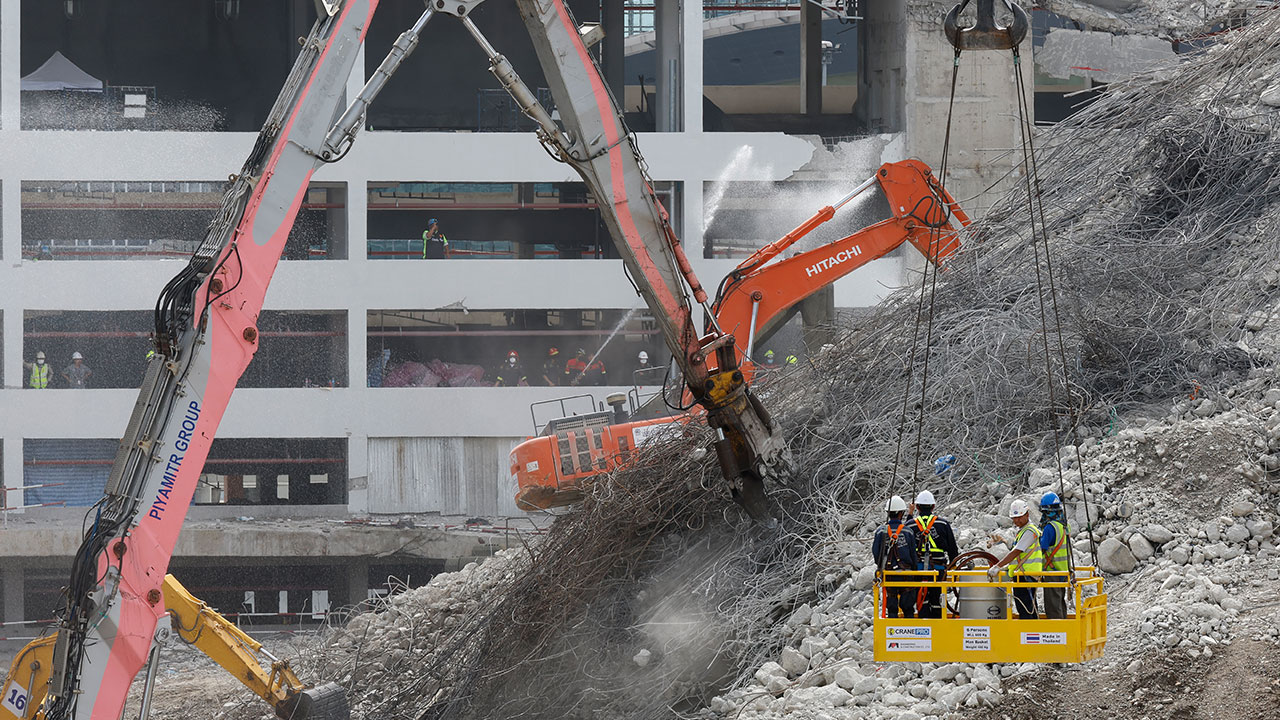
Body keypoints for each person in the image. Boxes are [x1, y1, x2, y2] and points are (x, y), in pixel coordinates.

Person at [988, 499, 1041, 619]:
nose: (1017, 521)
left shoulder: (1030, 531)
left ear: (1027, 514)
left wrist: (998, 566)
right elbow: (1018, 551)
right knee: (1027, 607)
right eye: (1014, 518)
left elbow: (1017, 551)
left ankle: (1028, 629)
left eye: (1019, 517)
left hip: (1026, 575)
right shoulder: (1023, 531)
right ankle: (1030, 628)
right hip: (1022, 574)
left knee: (1027, 609)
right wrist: (1004, 542)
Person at [911, 490, 960, 618]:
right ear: (933, 506)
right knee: (938, 599)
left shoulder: (910, 525)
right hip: (939, 569)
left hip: (918, 570)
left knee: (921, 599)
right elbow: (952, 549)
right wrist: (953, 568)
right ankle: (938, 623)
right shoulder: (943, 524)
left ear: (917, 507)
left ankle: (924, 623)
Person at [872, 495, 919, 618]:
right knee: (908, 607)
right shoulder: (908, 532)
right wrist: (915, 572)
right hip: (906, 574)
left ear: (888, 513)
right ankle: (909, 626)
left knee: (892, 605)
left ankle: (892, 627)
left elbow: (876, 553)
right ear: (901, 513)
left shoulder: (880, 531)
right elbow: (913, 554)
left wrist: (881, 566)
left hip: (889, 574)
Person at [1038, 492, 1071, 619]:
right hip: (1064, 571)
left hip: (1052, 571)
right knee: (1060, 603)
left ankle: (1057, 630)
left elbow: (1042, 548)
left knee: (1052, 606)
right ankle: (1064, 627)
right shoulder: (1064, 526)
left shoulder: (1049, 528)